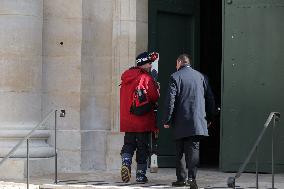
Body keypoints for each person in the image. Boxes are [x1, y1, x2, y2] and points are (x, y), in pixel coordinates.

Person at [163, 54, 215, 188]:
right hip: (197, 121)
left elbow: (170, 101)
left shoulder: (175, 77)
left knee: (179, 151)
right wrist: (209, 118)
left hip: (180, 121)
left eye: (176, 63)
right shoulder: (202, 77)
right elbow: (210, 100)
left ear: (180, 62)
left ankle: (181, 179)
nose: (176, 66)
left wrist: (167, 119)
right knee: (193, 150)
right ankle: (192, 179)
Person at [120, 52, 160, 183]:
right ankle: (140, 175)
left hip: (128, 120)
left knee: (129, 144)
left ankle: (126, 162)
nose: (150, 65)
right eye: (149, 63)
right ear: (143, 63)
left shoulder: (125, 78)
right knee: (142, 147)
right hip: (142, 120)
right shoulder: (146, 78)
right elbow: (154, 97)